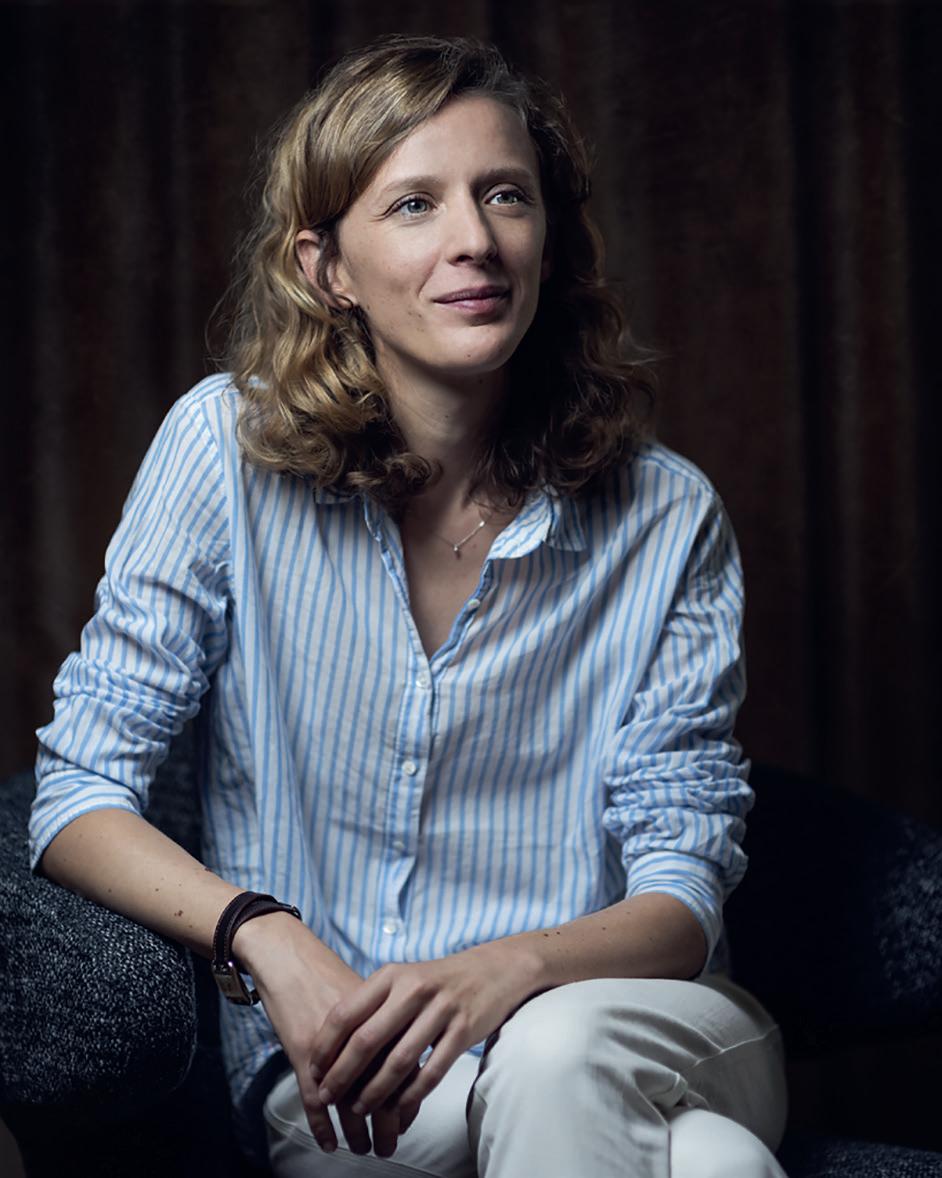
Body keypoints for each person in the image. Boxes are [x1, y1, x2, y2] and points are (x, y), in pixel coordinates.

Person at [29, 33, 788, 1178]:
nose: (474, 239)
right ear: (328, 265)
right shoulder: (220, 451)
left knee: (552, 1050)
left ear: (547, 239)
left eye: (505, 195)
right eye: (415, 204)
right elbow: (77, 795)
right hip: (360, 1064)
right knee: (718, 1164)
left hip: (635, 1019)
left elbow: (682, 890)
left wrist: (512, 972)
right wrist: (264, 933)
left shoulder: (666, 514)